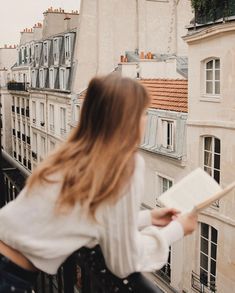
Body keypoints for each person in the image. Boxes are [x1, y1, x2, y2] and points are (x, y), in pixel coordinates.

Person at [0, 74, 197, 292]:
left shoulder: (71, 155)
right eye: (143, 112)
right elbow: (124, 263)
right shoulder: (124, 165)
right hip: (11, 275)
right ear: (128, 119)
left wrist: (147, 218)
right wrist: (177, 229)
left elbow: (88, 218)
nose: (146, 119)